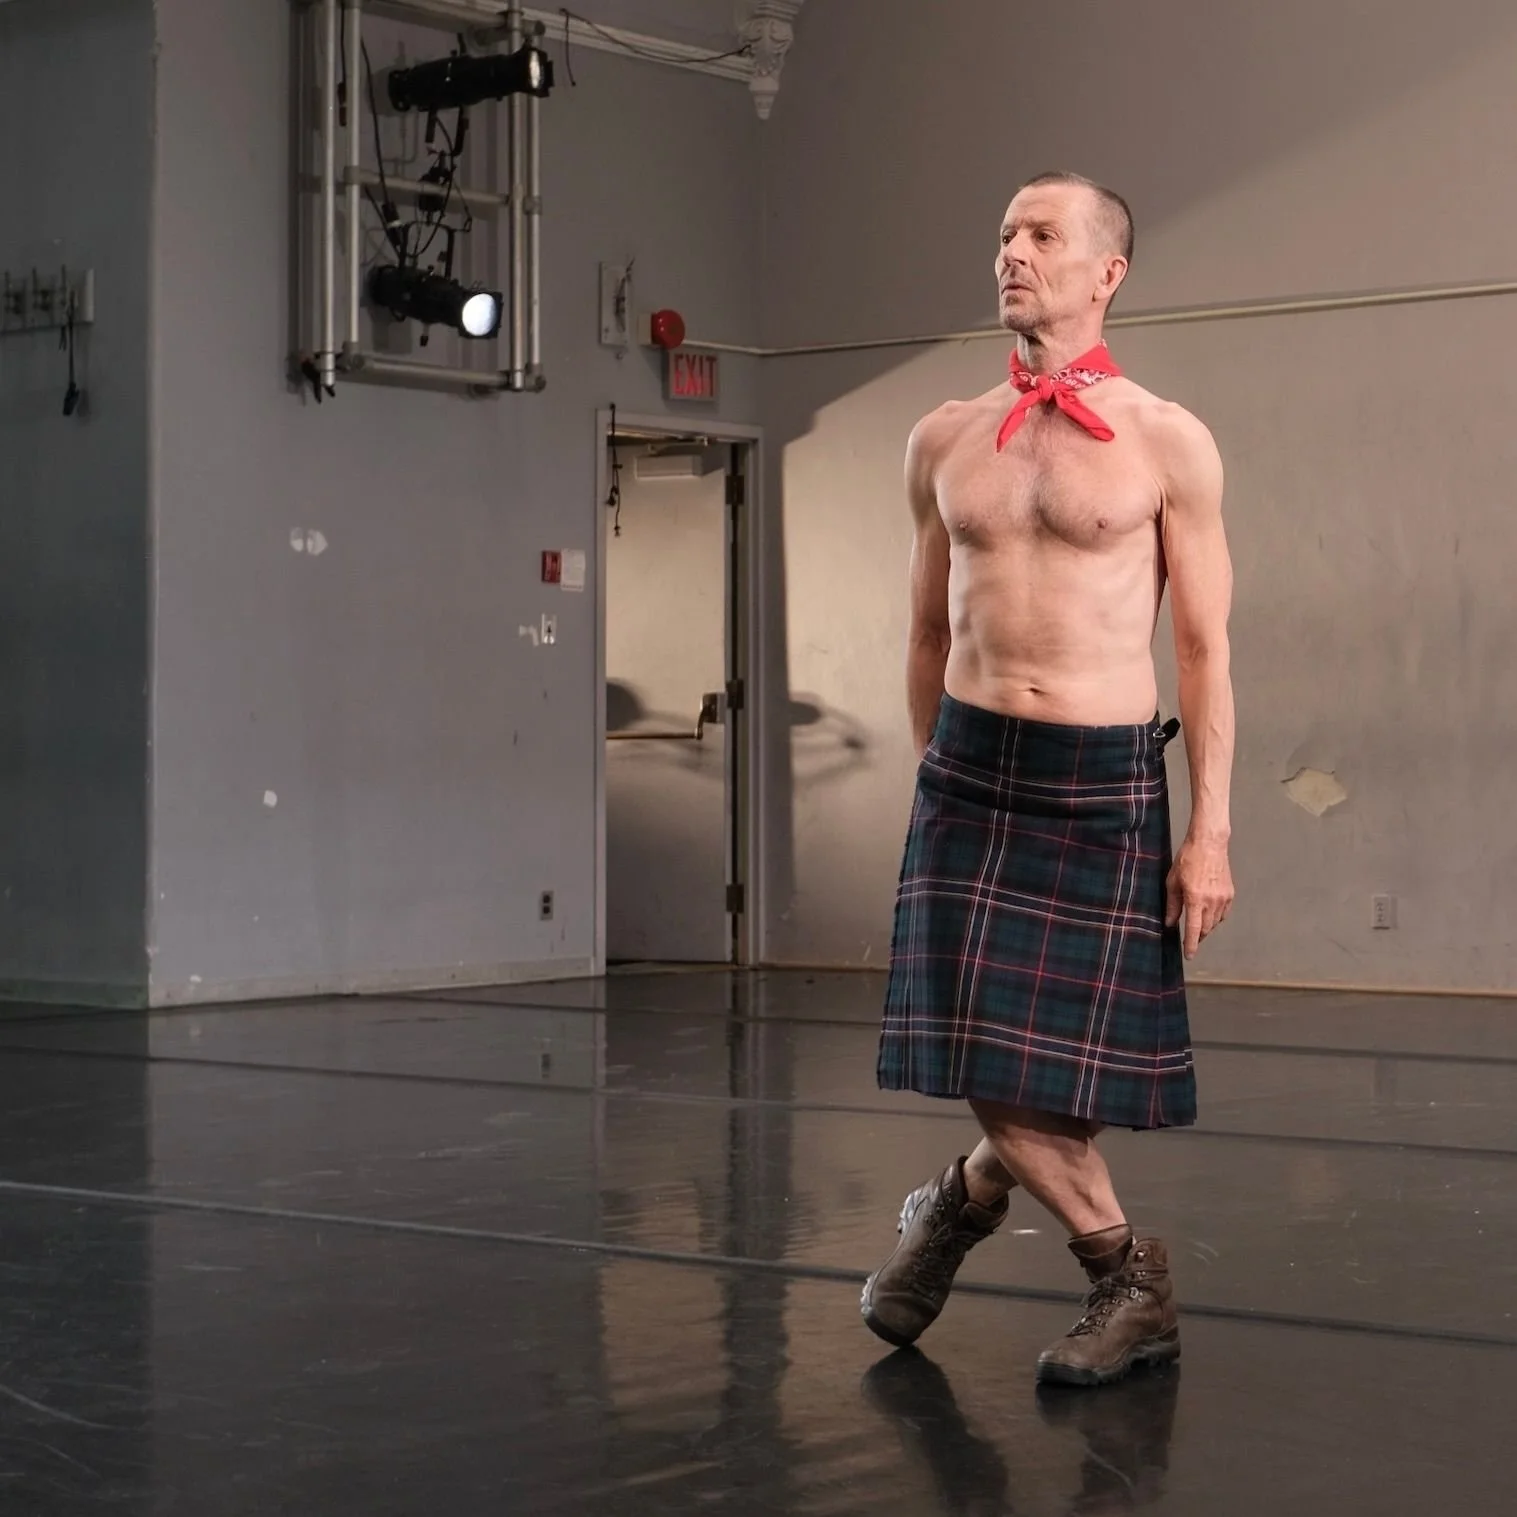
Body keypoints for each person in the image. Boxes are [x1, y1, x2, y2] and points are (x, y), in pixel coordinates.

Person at [861, 171, 1236, 1387]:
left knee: (1056, 1066)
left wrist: (1209, 833)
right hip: (968, 770)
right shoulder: (943, 435)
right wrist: (934, 776)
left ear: (1105, 272)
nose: (1010, 254)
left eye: (1039, 235)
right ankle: (1127, 1277)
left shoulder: (1165, 439)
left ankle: (961, 1200)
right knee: (988, 1047)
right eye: (1003, 234)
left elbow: (1203, 649)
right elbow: (926, 631)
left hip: (1097, 774)